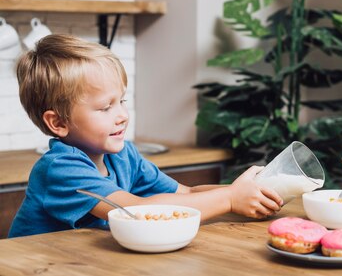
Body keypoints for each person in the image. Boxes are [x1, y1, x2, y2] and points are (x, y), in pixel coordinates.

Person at [9, 34, 282, 238]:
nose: (122, 115)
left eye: (122, 101)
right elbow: (137, 211)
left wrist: (248, 193)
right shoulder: (61, 168)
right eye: (105, 107)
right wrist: (230, 199)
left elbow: (185, 193)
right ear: (57, 123)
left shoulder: (123, 155)